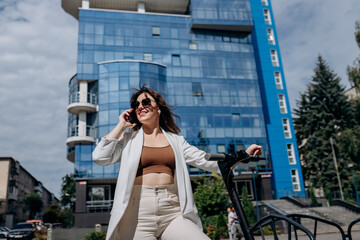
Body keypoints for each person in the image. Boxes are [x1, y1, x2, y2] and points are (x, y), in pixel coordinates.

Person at [92, 86, 262, 240]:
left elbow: (204, 159)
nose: (140, 106)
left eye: (145, 101)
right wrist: (121, 126)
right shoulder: (128, 139)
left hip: (172, 211)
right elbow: (100, 157)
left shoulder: (176, 141)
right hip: (137, 214)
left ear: (158, 108)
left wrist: (242, 155)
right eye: (136, 104)